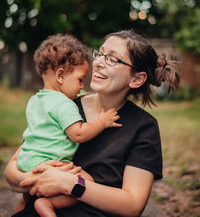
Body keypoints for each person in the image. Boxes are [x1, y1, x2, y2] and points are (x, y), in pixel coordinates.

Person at [4, 29, 180, 217]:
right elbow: (12, 168)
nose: (99, 63)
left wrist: (70, 184)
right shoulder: (64, 106)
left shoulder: (143, 126)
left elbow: (133, 205)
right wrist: (35, 179)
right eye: (100, 53)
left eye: (112, 59)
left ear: (137, 79)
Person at [14, 34, 121, 217]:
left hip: (27, 161)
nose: (81, 86)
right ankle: (47, 204)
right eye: (80, 80)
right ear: (61, 76)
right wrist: (102, 122)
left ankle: (25, 202)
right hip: (50, 163)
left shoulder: (36, 99)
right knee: (87, 182)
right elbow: (78, 134)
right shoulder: (64, 104)